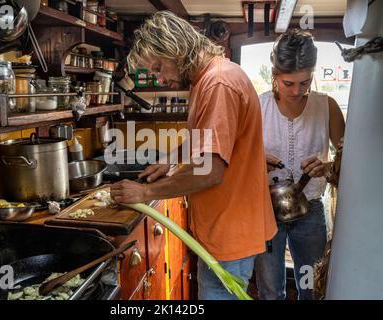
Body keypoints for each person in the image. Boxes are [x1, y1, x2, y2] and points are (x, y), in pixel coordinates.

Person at [109, 11, 277, 300]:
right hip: (222, 230)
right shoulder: (208, 78)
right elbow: (204, 139)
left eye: (159, 67)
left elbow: (210, 170)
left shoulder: (218, 84)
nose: (160, 79)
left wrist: (144, 191)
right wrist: (171, 160)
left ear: (176, 49)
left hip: (229, 235)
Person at [254, 29, 346, 300]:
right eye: (288, 83)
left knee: (312, 288)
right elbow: (237, 158)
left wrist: (328, 168)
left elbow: (347, 161)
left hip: (311, 213)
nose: (297, 91)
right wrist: (255, 161)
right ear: (274, 74)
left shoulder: (326, 106)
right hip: (266, 211)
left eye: (305, 83)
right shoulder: (258, 107)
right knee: (270, 291)